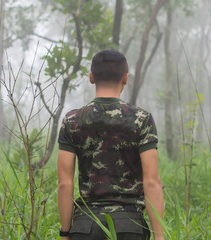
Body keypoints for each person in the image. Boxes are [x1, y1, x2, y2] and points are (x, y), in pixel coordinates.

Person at [57, 49, 164, 240]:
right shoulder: (141, 120)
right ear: (125, 78)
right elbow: (152, 182)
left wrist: (65, 233)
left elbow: (65, 184)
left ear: (91, 78)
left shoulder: (72, 120)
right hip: (130, 227)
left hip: (85, 227)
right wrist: (159, 236)